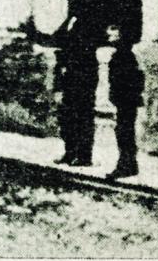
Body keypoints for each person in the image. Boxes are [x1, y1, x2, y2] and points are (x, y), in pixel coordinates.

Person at [53, 12, 99, 167]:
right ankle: (70, 152)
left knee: (83, 116)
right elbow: (57, 39)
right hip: (68, 78)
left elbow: (86, 52)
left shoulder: (90, 23)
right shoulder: (69, 22)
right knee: (67, 117)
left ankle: (84, 156)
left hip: (83, 78)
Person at [105, 25, 144, 180]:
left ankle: (125, 166)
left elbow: (134, 79)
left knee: (124, 133)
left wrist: (121, 95)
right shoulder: (124, 56)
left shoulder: (124, 57)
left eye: (113, 36)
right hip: (126, 100)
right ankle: (130, 164)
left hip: (126, 100)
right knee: (125, 132)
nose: (110, 39)